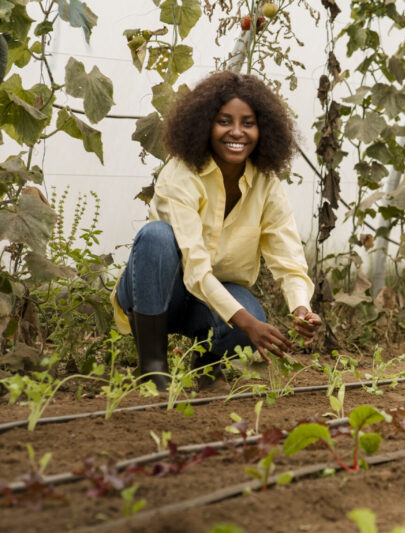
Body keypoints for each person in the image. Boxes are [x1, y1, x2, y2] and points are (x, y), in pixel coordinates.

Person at [113, 71, 322, 391]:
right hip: (158, 295)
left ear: (262, 128)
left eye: (248, 123)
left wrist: (301, 308)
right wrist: (247, 323)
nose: (236, 132)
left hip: (209, 302)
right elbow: (195, 269)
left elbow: (288, 256)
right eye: (225, 121)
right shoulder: (182, 173)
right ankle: (153, 368)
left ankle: (207, 364)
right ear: (205, 124)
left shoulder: (266, 185)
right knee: (156, 236)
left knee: (252, 315)